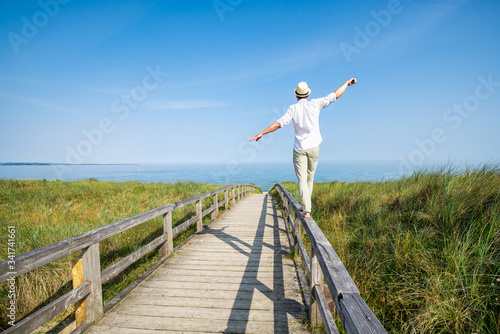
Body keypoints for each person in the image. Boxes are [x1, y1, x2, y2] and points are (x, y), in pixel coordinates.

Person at [249, 79, 357, 218]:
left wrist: (262, 132)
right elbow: (336, 95)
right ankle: (306, 207)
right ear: (307, 94)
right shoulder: (315, 103)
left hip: (299, 149)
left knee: (302, 179)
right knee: (309, 179)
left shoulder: (293, 108)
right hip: (314, 148)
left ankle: (306, 208)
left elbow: (279, 123)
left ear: (296, 96)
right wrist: (347, 83)